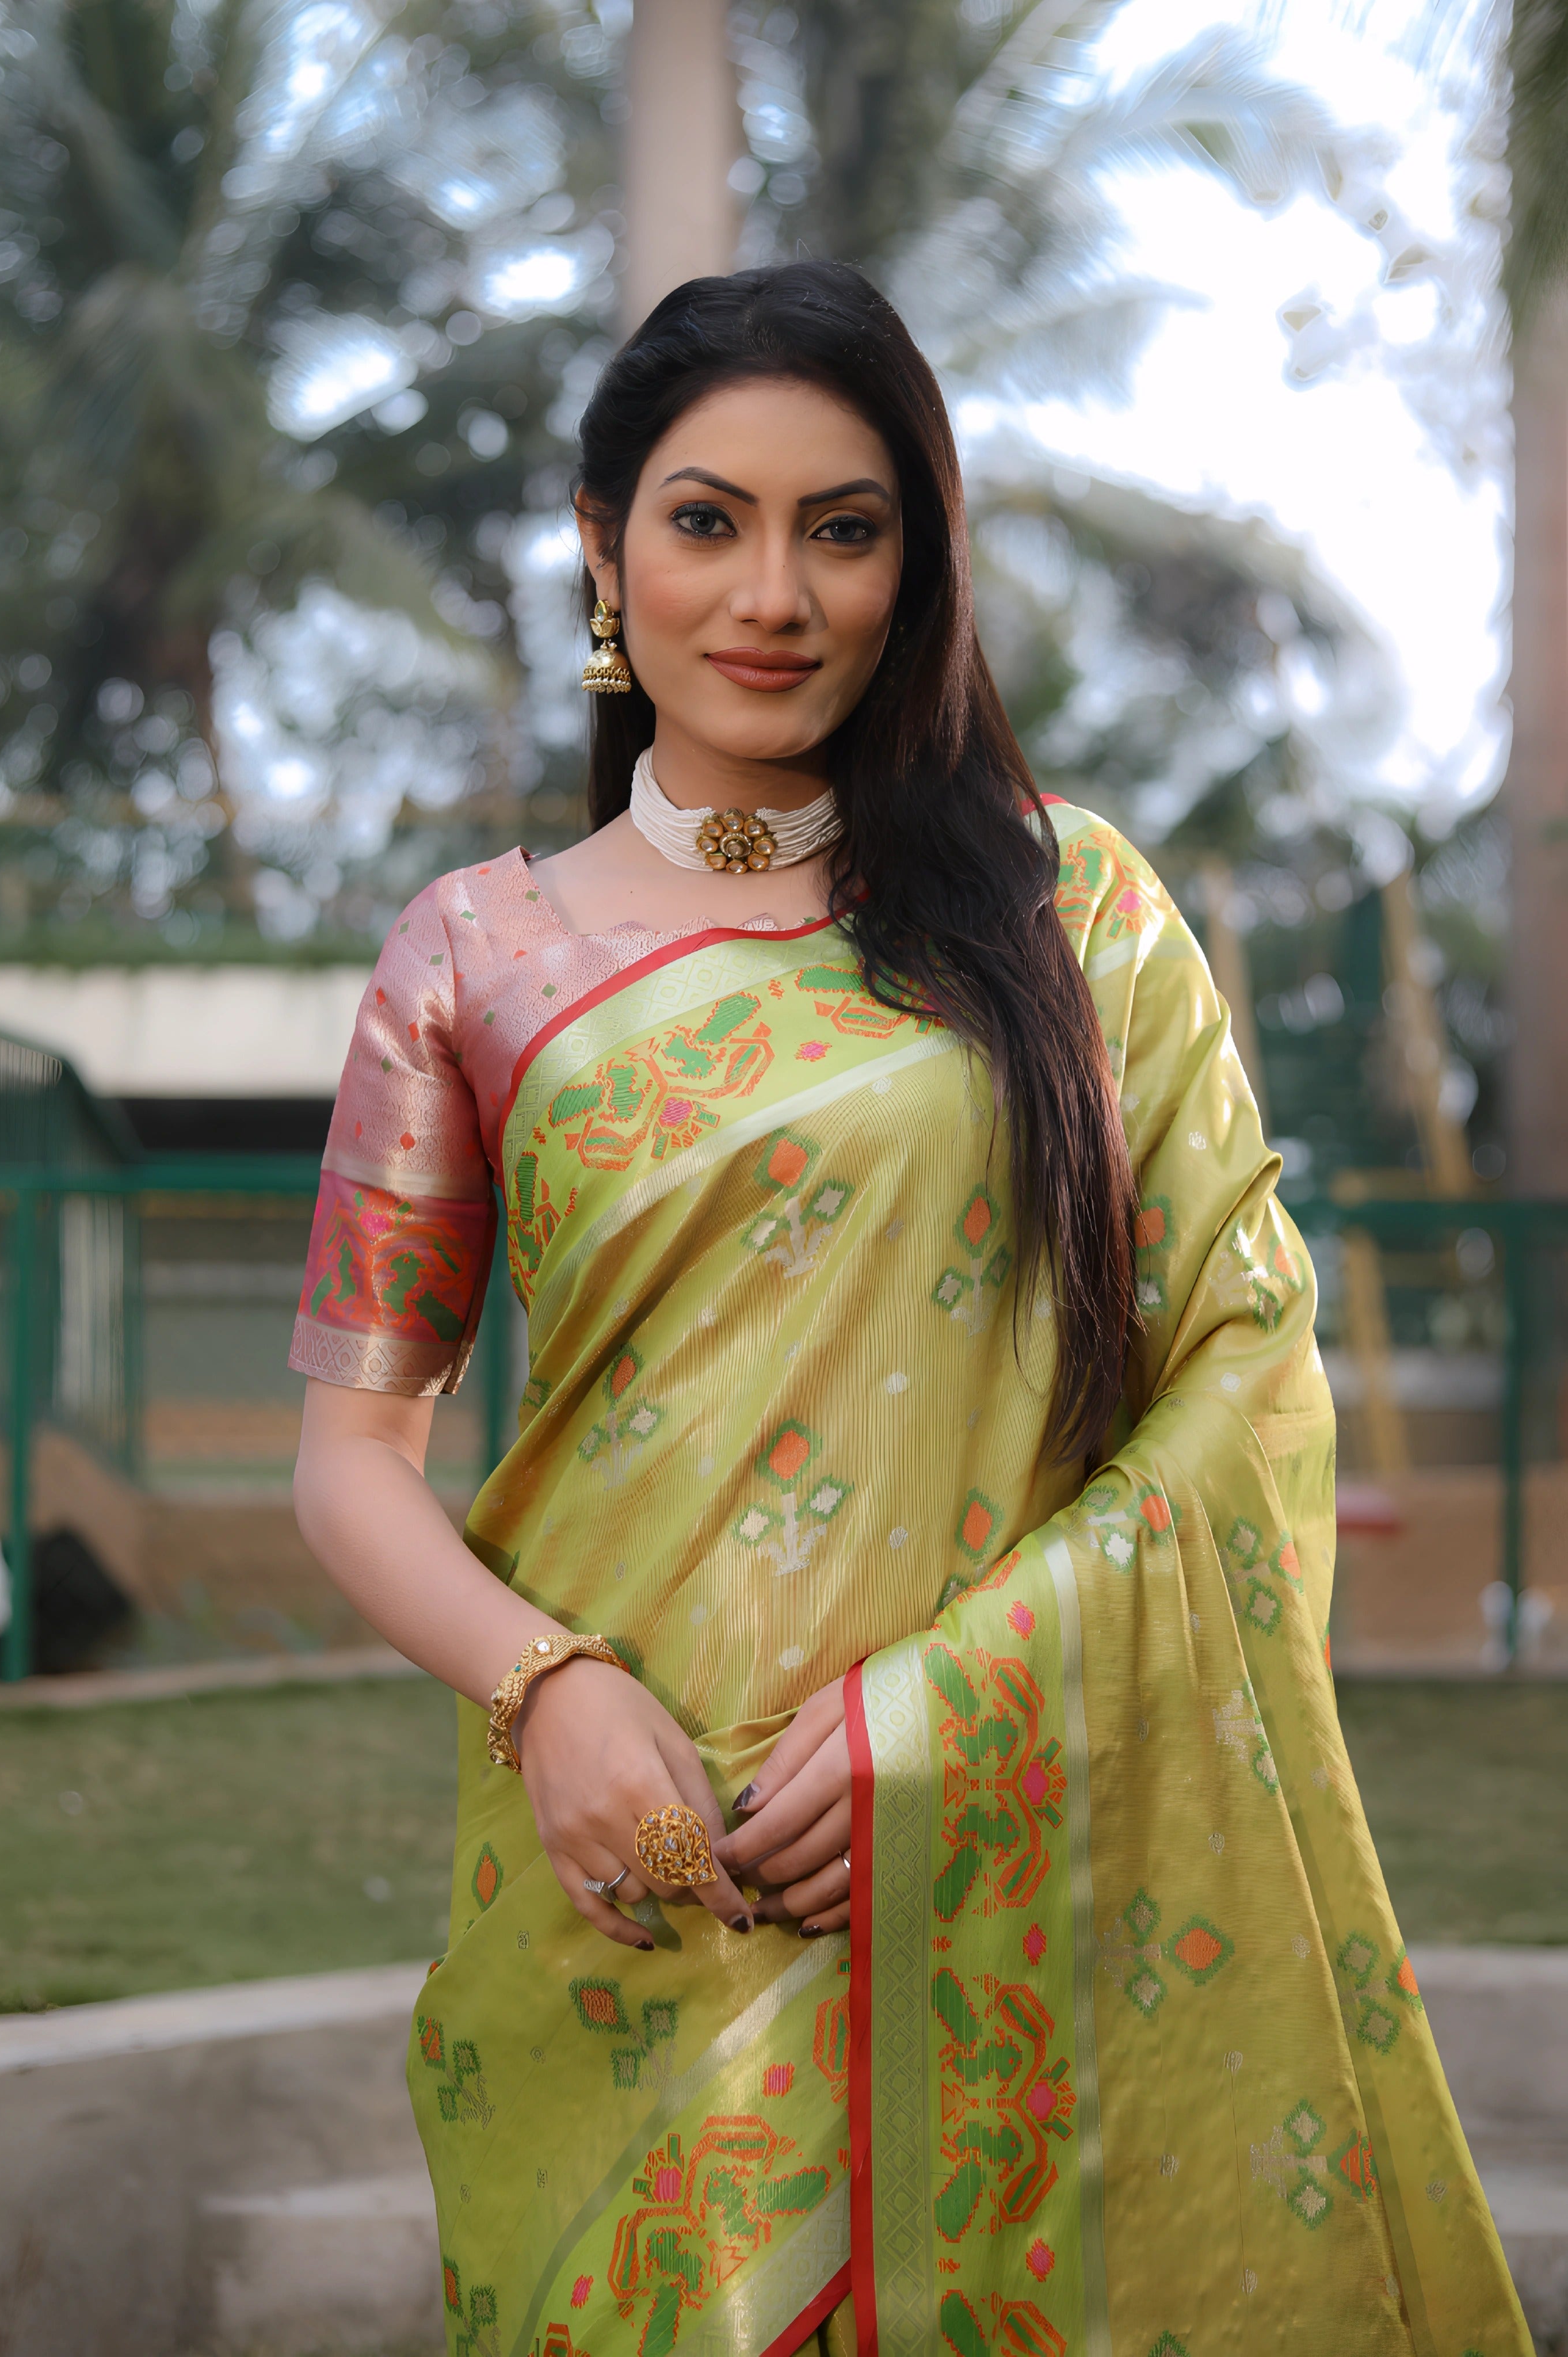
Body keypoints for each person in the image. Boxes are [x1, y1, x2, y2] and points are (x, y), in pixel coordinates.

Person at [291, 261, 1527, 2357]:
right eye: (706, 521)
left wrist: (950, 1716)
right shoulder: (472, 956)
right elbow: (349, 1456)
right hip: (633, 1869)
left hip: (996, 1849)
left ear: (913, 565)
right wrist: (549, 1692)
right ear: (606, 555)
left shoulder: (1075, 914)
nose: (770, 592)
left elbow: (1244, 1360)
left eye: (840, 529)